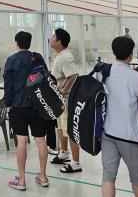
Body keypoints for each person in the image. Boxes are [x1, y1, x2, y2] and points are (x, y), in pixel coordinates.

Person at [102, 37, 138, 197]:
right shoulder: (137, 79)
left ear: (114, 52)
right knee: (137, 178)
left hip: (108, 133)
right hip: (130, 136)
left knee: (108, 177)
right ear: (131, 55)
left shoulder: (103, 73)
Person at [4, 31, 49, 191]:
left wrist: (8, 104)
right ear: (29, 43)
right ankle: (43, 177)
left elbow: (8, 85)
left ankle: (22, 180)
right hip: (37, 106)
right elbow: (46, 79)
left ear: (17, 43)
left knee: (21, 141)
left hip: (18, 107)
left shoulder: (11, 60)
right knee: (41, 140)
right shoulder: (37, 58)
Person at [49, 28, 81, 174]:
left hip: (67, 100)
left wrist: (61, 91)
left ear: (59, 42)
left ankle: (76, 163)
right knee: (60, 127)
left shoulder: (66, 57)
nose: (51, 38)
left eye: (53, 36)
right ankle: (63, 153)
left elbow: (73, 75)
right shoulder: (60, 55)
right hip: (60, 100)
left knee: (70, 130)